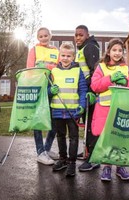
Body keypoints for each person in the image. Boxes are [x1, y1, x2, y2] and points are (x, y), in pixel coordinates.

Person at [90, 38, 129, 181]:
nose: (117, 53)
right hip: (104, 109)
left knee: (121, 139)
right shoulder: (101, 67)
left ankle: (120, 167)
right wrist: (110, 78)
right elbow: (95, 86)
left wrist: (125, 82)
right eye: (114, 50)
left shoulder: (126, 68)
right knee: (107, 140)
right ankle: (106, 168)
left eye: (120, 50)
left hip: (122, 110)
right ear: (109, 51)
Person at [49, 42, 88, 177]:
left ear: (73, 57)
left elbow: (83, 90)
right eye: (63, 55)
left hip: (73, 111)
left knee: (73, 137)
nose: (65, 58)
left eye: (68, 56)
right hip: (57, 111)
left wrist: (82, 105)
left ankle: (72, 162)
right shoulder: (53, 71)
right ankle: (63, 159)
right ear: (59, 56)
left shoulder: (78, 71)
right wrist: (50, 90)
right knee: (60, 136)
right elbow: (47, 91)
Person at [26, 27, 59, 165]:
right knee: (39, 119)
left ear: (50, 36)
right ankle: (40, 152)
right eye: (41, 36)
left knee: (55, 118)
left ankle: (47, 148)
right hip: (39, 86)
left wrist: (47, 66)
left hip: (54, 86)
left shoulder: (56, 51)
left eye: (46, 35)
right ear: (38, 37)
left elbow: (60, 67)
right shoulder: (34, 49)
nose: (44, 38)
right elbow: (29, 70)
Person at [74, 25, 101, 171]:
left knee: (91, 126)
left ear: (87, 35)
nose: (78, 37)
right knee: (86, 125)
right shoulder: (82, 49)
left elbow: (95, 70)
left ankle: (93, 158)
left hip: (90, 92)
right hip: (83, 91)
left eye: (81, 35)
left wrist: (92, 92)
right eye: (76, 35)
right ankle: (86, 152)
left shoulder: (90, 47)